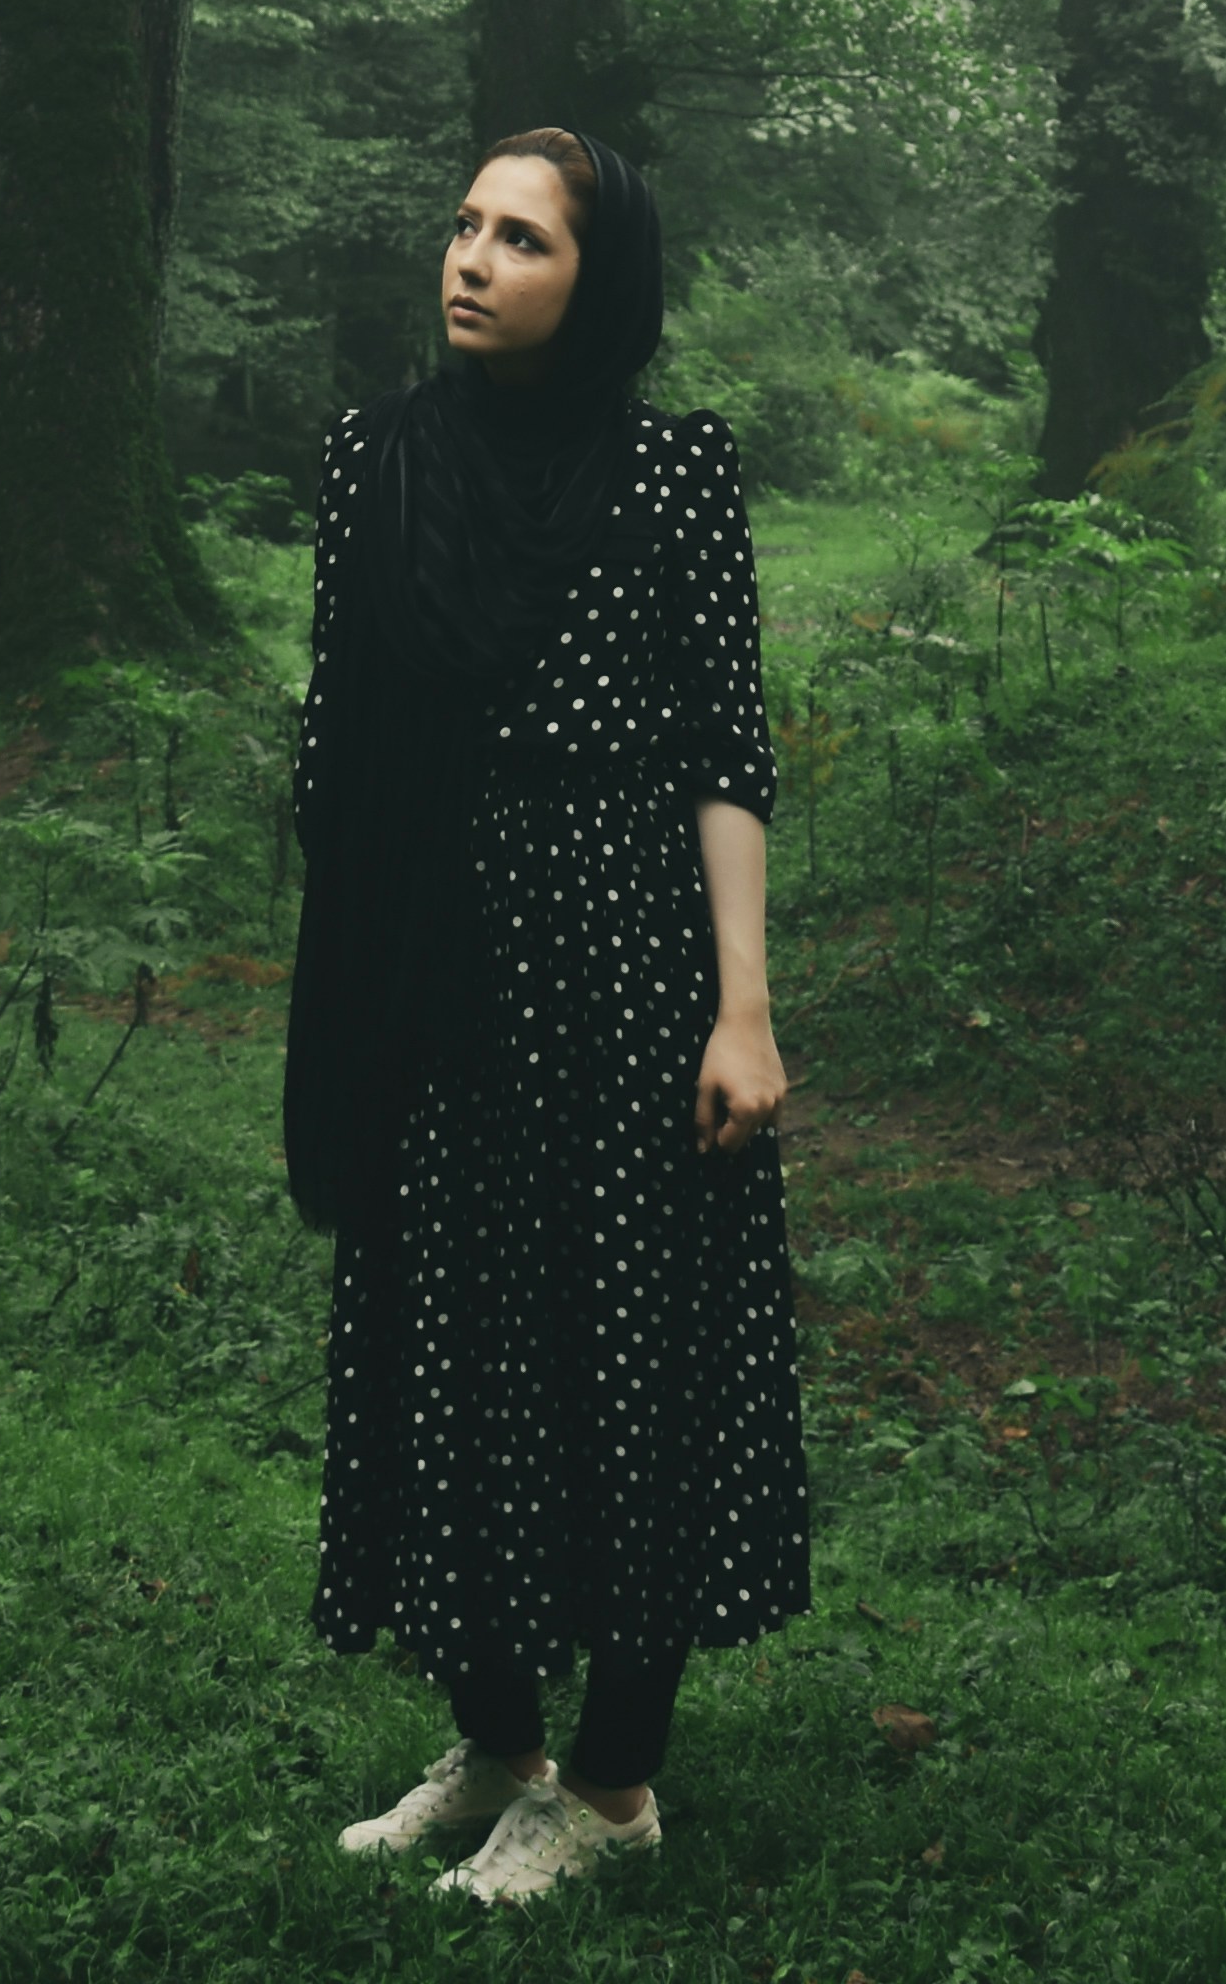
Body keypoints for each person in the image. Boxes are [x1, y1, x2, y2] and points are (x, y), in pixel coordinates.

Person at [282, 124, 810, 1906]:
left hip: (621, 971)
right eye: (463, 227)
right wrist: (357, 977)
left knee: (628, 1359)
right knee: (445, 1340)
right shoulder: (380, 457)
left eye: (521, 239)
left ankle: (610, 1787)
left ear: (601, 283)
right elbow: (335, 730)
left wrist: (740, 1011)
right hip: (428, 965)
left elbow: (725, 761)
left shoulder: (672, 479)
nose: (472, 261)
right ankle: (500, 1741)